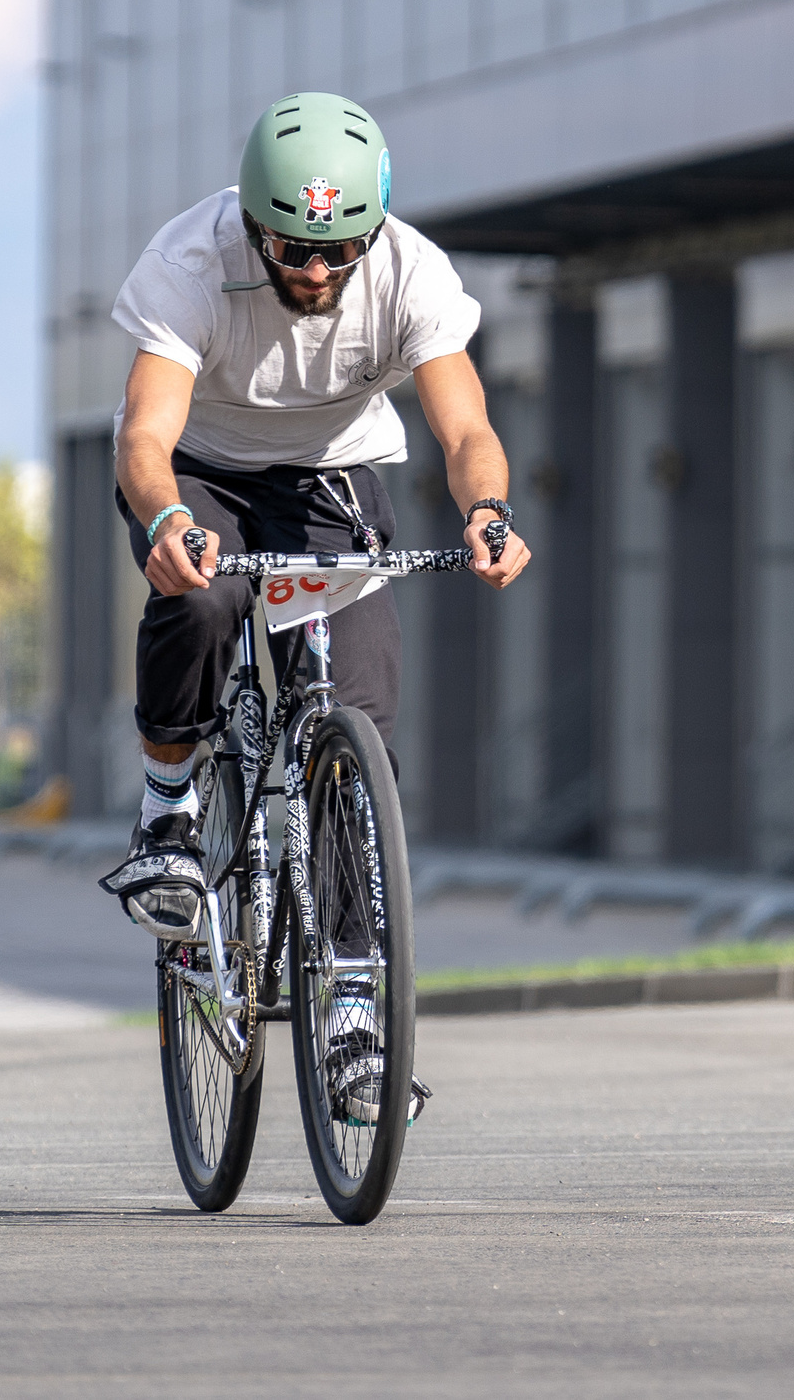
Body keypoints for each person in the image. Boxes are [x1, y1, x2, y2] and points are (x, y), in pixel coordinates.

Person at [99, 92, 529, 926]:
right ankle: (167, 808)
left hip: (328, 476)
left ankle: (354, 1010)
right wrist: (164, 521)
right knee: (206, 596)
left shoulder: (411, 273)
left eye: (342, 249)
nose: (318, 271)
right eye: (295, 248)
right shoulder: (189, 264)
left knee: (355, 718)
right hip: (199, 467)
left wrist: (488, 509)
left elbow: (467, 424)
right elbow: (146, 436)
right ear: (256, 223)